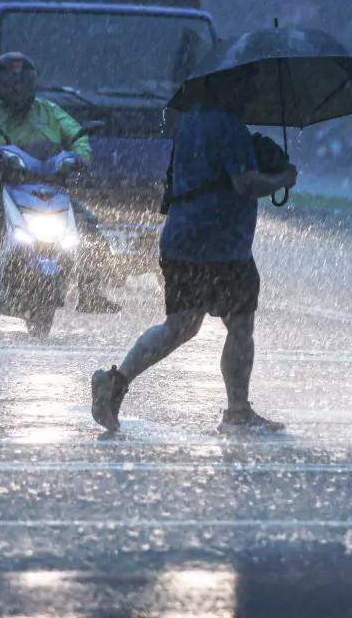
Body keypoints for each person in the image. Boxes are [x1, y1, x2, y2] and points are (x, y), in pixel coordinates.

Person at [90, 62, 298, 434]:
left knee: (179, 327)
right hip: (222, 247)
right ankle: (238, 411)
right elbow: (245, 184)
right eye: (246, 84)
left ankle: (116, 381)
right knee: (239, 327)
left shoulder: (192, 123)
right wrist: (282, 177)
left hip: (182, 240)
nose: (251, 92)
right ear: (229, 87)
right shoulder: (230, 128)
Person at [0, 51, 121, 315]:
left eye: (23, 81)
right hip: (0, 187)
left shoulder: (50, 111)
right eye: (11, 81)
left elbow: (78, 136)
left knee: (88, 225)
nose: (17, 88)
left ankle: (91, 290)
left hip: (48, 188)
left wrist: (79, 157)